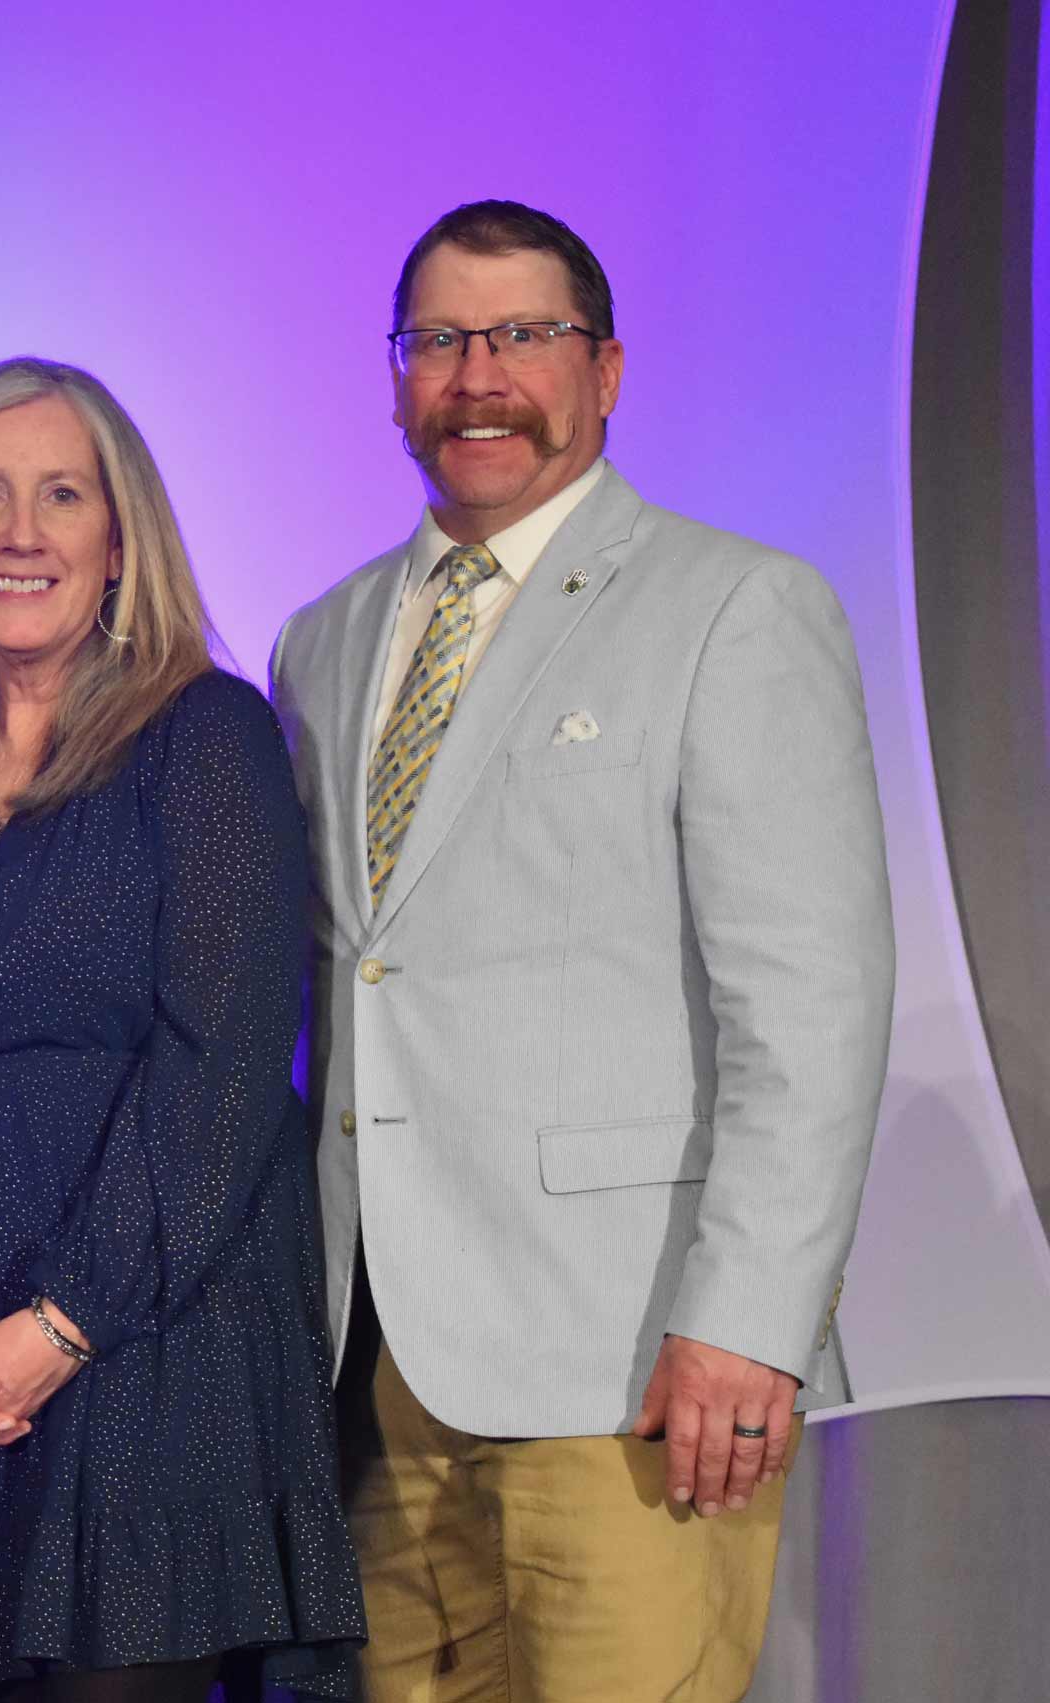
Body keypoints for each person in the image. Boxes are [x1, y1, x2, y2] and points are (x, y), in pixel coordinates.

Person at [270, 199, 894, 1701]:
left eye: (524, 337)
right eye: (439, 340)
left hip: (634, 1372)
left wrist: (746, 1327)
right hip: (378, 1375)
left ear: (606, 371)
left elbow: (810, 1004)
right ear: (396, 376)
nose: (478, 375)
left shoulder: (735, 607)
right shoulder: (324, 640)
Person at [0, 356, 365, 1701]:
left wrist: (60, 1327)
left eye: (62, 495)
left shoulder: (208, 738)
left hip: (158, 1376)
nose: (22, 532)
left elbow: (221, 1072)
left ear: (119, 543)